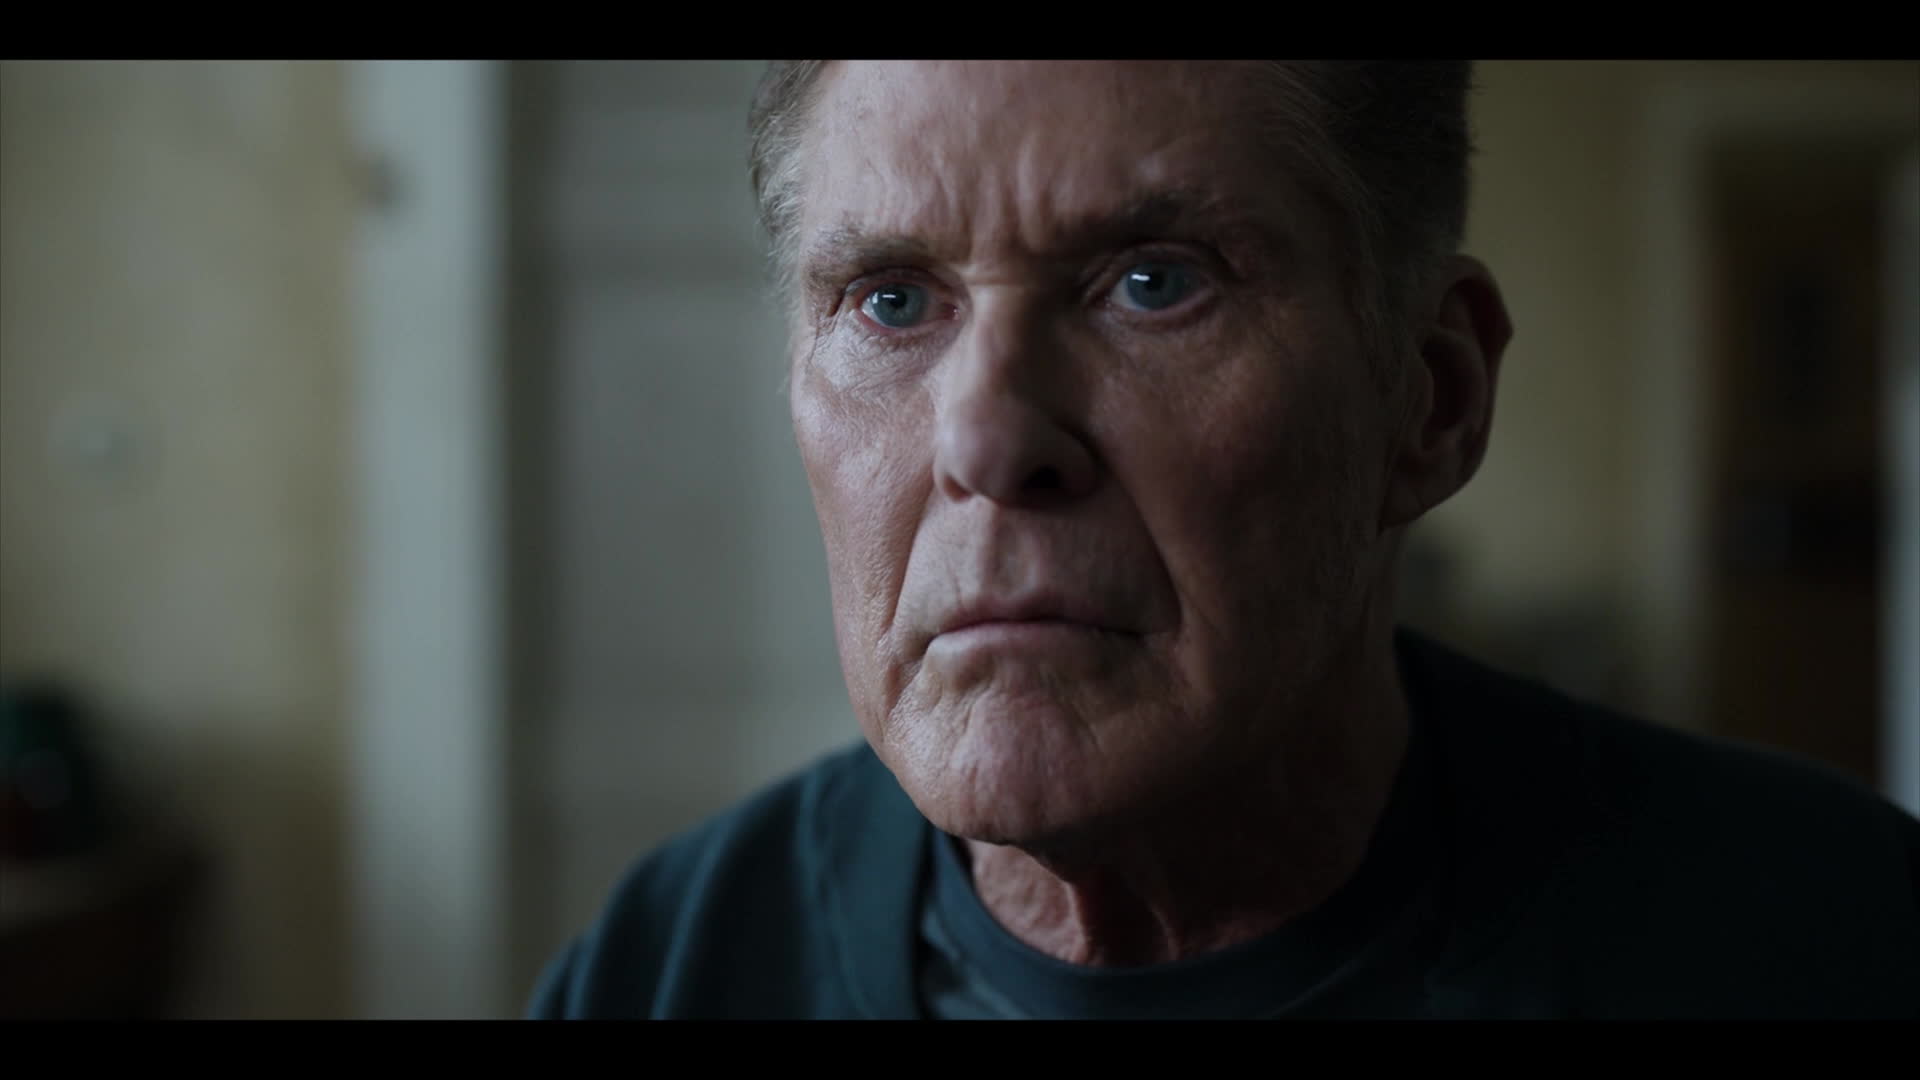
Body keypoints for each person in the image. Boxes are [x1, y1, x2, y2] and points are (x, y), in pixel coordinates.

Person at [525, 60, 1920, 1020]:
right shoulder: (671, 967)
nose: (988, 441)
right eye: (892, 301)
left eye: (1153, 283)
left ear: (1431, 398)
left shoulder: (1830, 941)